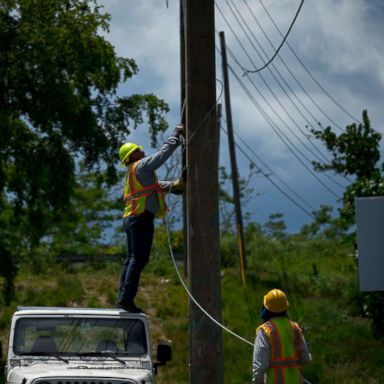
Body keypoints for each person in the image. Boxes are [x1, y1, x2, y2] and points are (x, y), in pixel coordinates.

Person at [117, 124, 185, 313]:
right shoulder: (142, 165)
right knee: (138, 259)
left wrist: (175, 186)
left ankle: (123, 297)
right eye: (138, 150)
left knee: (131, 259)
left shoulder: (133, 172)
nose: (143, 151)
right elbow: (161, 156)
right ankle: (126, 299)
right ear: (132, 156)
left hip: (131, 219)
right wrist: (176, 136)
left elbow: (153, 187)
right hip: (140, 219)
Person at [252, 289, 311, 384]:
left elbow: (260, 366)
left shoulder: (265, 330)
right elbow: (306, 359)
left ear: (266, 308)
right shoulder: (295, 328)